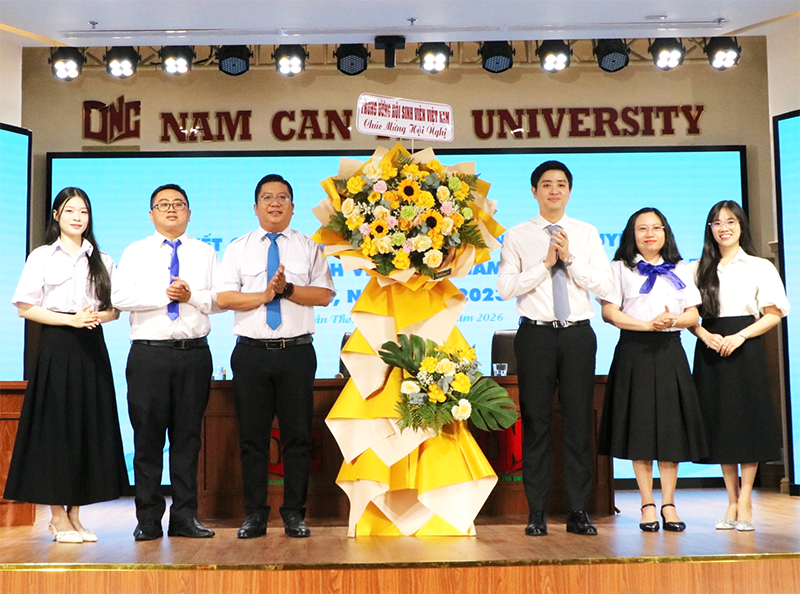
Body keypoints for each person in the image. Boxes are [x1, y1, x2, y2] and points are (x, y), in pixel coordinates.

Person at [5, 187, 127, 544]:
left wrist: (96, 317)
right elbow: (25, 307)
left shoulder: (101, 258)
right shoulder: (42, 256)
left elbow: (115, 309)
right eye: (70, 210)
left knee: (87, 426)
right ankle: (57, 516)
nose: (78, 217)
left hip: (91, 345)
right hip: (57, 344)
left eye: (83, 211)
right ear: (56, 215)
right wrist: (70, 320)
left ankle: (76, 515)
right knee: (56, 429)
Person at [496, 161, 612, 536]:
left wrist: (569, 260)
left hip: (577, 334)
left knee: (579, 423)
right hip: (536, 335)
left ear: (570, 191)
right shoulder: (517, 235)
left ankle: (578, 511)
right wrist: (545, 265)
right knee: (536, 422)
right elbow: (505, 288)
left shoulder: (586, 233)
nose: (554, 190)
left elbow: (605, 286)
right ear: (534, 192)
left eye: (561, 184)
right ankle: (537, 512)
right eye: (546, 184)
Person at [216, 173, 334, 539]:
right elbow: (225, 298)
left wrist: (288, 289)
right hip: (250, 354)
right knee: (253, 439)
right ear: (255, 207)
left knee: (297, 437)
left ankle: (294, 514)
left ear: (293, 207)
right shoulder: (238, 248)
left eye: (282, 197)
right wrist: (264, 296)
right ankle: (254, 515)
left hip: (296, 353)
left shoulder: (309, 247)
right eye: (267, 197)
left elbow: (324, 295)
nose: (275, 203)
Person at [111, 184, 220, 541]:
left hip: (194, 354)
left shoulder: (204, 252)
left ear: (189, 212)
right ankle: (148, 519)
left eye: (178, 204)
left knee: (188, 439)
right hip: (149, 356)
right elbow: (119, 296)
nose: (171, 209)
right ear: (151, 213)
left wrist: (191, 296)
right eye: (163, 204)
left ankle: (185, 517)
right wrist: (164, 294)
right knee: (147, 438)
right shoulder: (136, 251)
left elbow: (220, 299)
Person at [598, 207, 708, 533]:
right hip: (634, 350)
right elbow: (609, 312)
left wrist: (672, 320)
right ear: (632, 234)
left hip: (670, 350)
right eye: (642, 228)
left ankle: (669, 503)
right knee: (641, 428)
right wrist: (647, 325)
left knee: (671, 429)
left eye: (656, 228)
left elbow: (693, 315)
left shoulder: (681, 268)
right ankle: (647, 503)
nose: (649, 234)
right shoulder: (619, 267)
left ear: (665, 232)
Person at [690, 200, 790, 532]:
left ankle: (745, 499)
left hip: (746, 348)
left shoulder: (759, 266)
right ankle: (731, 500)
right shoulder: (697, 268)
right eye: (717, 223)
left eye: (730, 221)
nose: (724, 228)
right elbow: (689, 316)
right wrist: (705, 335)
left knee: (748, 423)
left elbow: (774, 314)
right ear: (710, 229)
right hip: (711, 349)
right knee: (720, 425)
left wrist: (741, 336)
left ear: (741, 226)